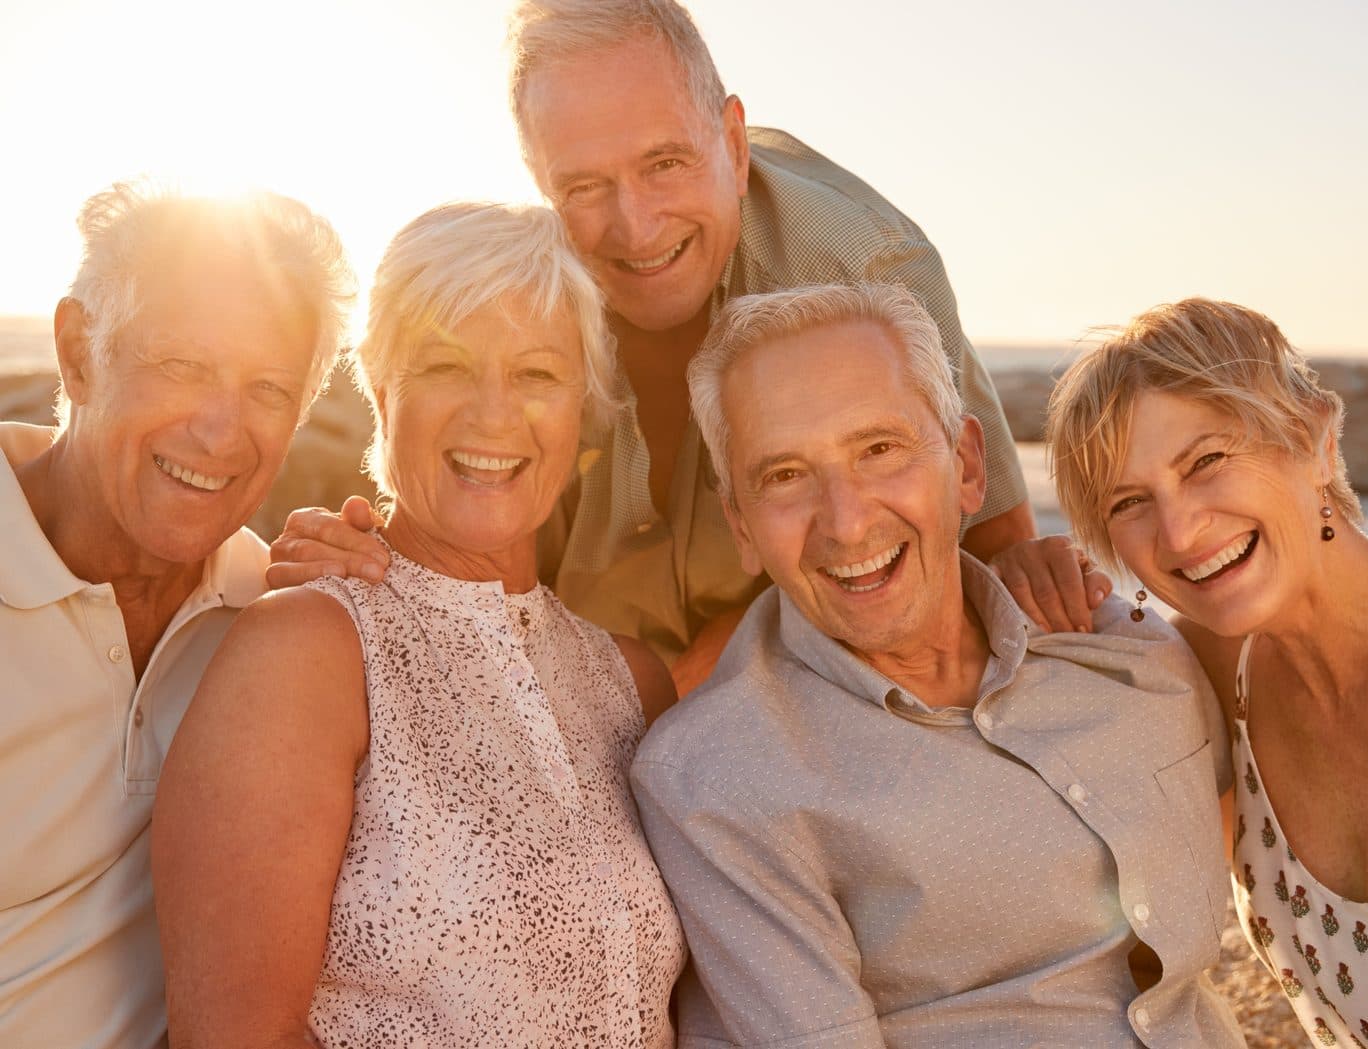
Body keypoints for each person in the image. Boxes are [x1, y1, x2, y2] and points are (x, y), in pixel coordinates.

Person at [268, 0, 1046, 688]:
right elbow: (454, 508)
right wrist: (360, 558)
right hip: (576, 706)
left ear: (734, 145)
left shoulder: (866, 272)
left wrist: (727, 659)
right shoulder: (533, 301)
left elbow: (982, 542)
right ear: (542, 182)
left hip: (802, 689)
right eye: (582, 186)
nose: (634, 228)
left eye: (665, 164)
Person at [629, 282, 1245, 1047]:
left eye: (878, 450)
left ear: (966, 466)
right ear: (742, 525)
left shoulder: (1130, 654)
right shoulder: (717, 775)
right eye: (785, 475)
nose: (847, 521)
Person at [151, 202, 687, 1049]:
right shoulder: (305, 654)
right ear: (379, 382)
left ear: (584, 404)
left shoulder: (632, 682)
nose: (492, 415)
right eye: (446, 365)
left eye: (539, 375)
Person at [0, 179, 353, 1049]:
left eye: (269, 388)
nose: (221, 433)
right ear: (79, 354)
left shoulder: (274, 617)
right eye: (181, 366)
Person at [1042, 298, 1368, 1049]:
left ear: (1313, 440)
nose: (1178, 532)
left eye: (1205, 461)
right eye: (1129, 503)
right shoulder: (1206, 669)